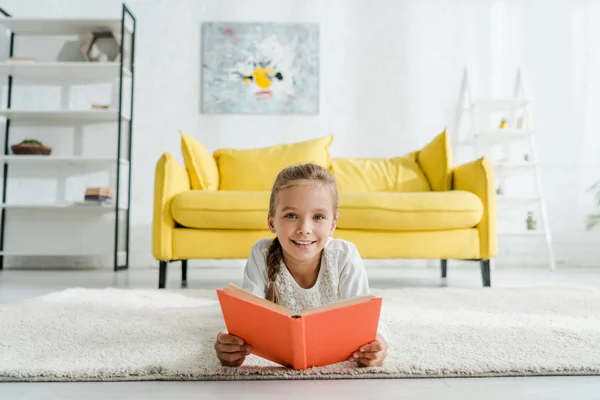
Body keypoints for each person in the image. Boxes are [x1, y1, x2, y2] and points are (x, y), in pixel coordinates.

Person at [214, 163, 389, 368]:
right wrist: (231, 346)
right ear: (271, 222)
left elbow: (366, 319)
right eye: (291, 215)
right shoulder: (261, 253)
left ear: (332, 225)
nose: (304, 229)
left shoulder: (344, 255)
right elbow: (246, 321)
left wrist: (378, 345)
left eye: (318, 217)